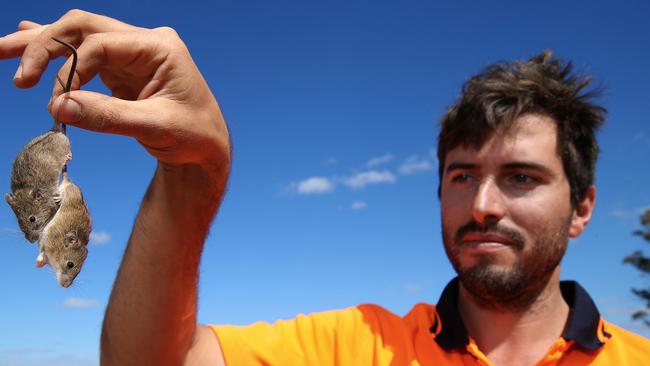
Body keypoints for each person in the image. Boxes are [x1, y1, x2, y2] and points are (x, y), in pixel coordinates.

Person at [1, 9, 648, 366]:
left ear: (583, 206)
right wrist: (191, 176)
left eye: (522, 178)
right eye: (462, 176)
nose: (483, 204)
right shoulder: (354, 347)